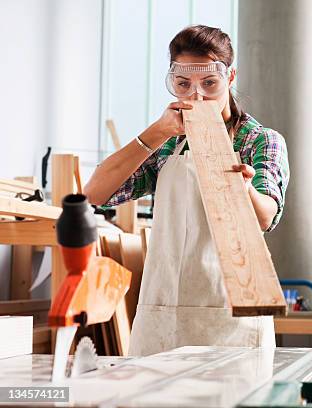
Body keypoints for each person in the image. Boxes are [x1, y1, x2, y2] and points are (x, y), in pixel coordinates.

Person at [84, 25, 289, 356]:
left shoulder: (259, 141)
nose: (197, 95)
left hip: (231, 317)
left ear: (230, 77)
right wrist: (156, 133)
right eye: (183, 84)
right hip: (165, 309)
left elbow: (265, 217)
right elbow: (96, 193)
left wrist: (245, 189)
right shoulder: (167, 144)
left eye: (210, 83)